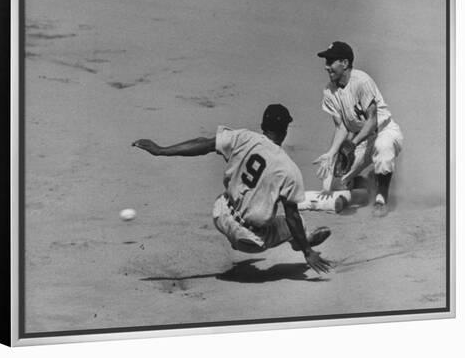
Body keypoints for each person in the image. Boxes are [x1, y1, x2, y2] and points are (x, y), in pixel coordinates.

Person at [133, 104, 331, 274]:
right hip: (250, 239)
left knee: (236, 195)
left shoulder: (243, 137)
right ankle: (301, 243)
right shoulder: (289, 170)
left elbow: (204, 144)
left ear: (262, 126)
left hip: (220, 215)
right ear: (285, 131)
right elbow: (292, 216)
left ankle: (298, 241)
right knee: (298, 222)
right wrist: (308, 253)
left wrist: (161, 151)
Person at [313, 41, 403, 217]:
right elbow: (341, 127)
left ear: (345, 63)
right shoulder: (329, 91)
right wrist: (331, 153)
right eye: (326, 62)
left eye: (330, 62)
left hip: (385, 131)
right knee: (337, 185)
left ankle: (380, 199)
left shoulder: (362, 81)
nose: (326, 67)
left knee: (383, 148)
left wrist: (351, 144)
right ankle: (367, 186)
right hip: (362, 140)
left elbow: (372, 120)